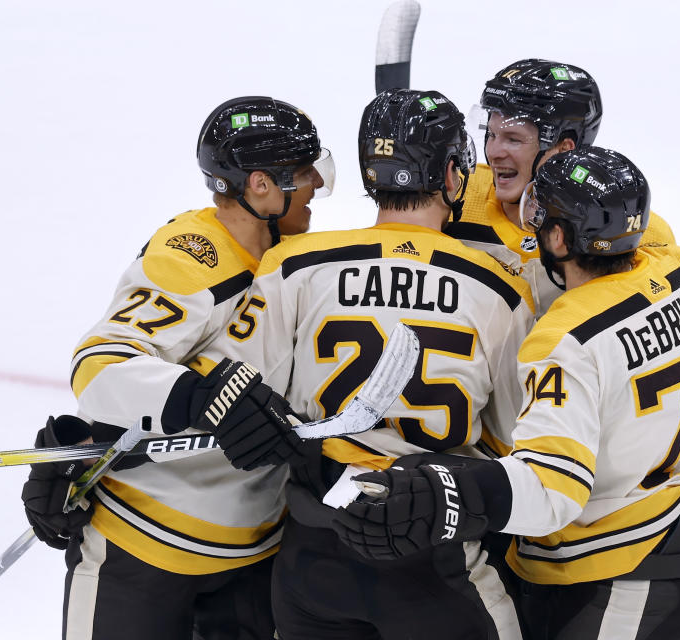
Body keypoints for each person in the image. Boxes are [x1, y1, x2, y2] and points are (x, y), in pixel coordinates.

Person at [335, 147, 680, 640]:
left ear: (559, 239)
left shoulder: (565, 342)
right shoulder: (673, 272)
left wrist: (447, 490)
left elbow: (553, 490)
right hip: (677, 533)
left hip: (615, 567)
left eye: (540, 221)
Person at [198, 88, 534, 639]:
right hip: (435, 556)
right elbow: (513, 438)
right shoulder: (501, 287)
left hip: (312, 561)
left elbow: (230, 387)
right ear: (453, 175)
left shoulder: (293, 263)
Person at [20, 96, 335, 639]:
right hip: (143, 550)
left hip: (254, 557)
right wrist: (200, 396)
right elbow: (101, 365)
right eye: (304, 173)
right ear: (260, 185)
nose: (317, 186)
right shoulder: (192, 256)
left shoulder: (303, 257)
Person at [447, 58, 676, 323]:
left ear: (564, 149)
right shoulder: (456, 197)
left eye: (513, 139)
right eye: (492, 133)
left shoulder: (630, 231)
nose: (494, 152)